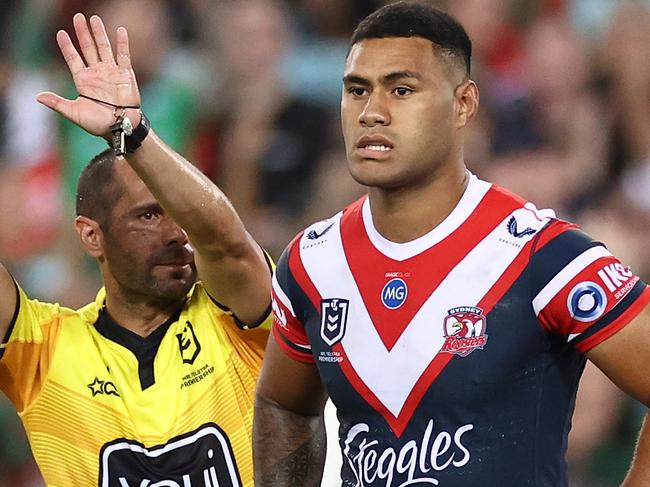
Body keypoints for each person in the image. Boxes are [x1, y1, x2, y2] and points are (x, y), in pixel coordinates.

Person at [253, 3, 650, 486]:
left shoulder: (541, 255)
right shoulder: (310, 264)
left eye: (401, 90)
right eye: (357, 90)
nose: (372, 112)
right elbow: (282, 404)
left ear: (463, 104)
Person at [0, 13, 272, 487]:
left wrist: (134, 132)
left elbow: (226, 244)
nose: (176, 231)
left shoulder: (234, 321)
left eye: (178, 211)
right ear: (91, 236)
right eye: (148, 215)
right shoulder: (41, 349)